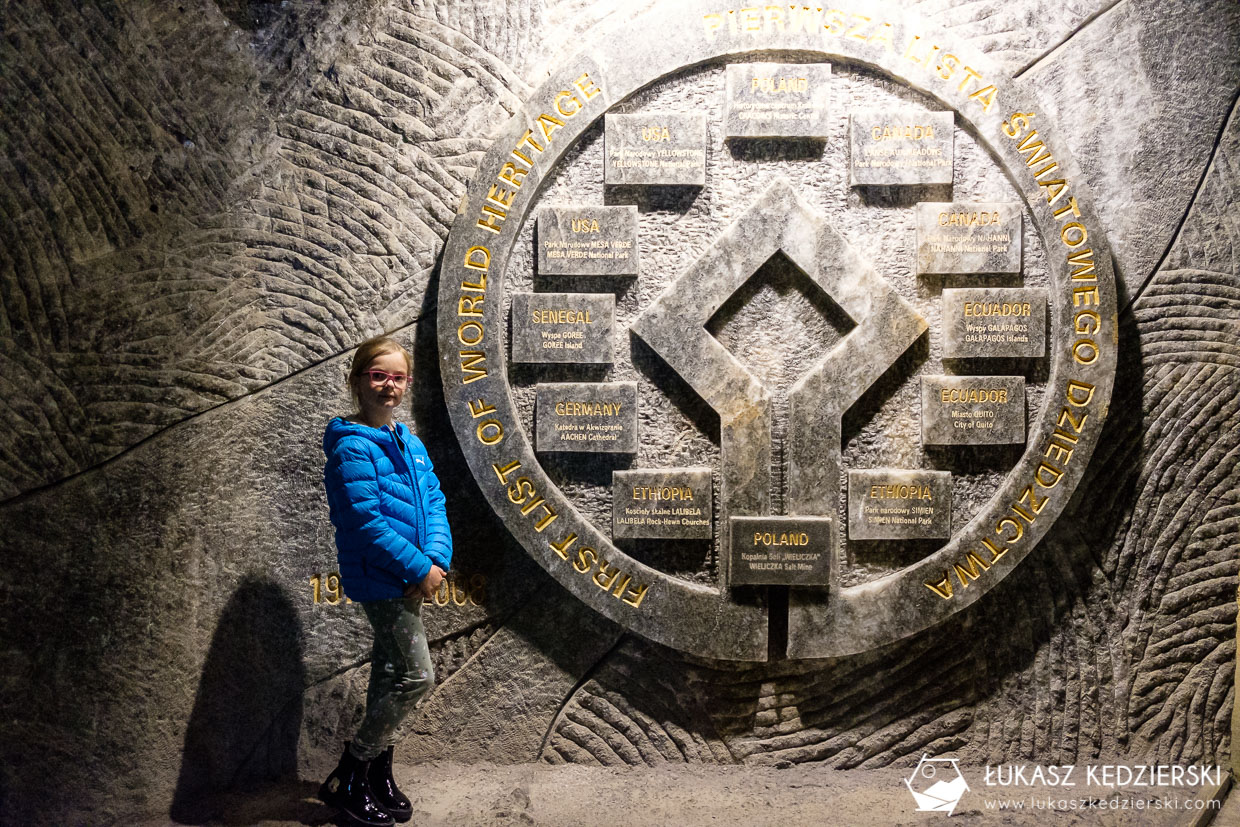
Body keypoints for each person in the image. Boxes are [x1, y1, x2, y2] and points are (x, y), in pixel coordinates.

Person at [319, 335, 452, 827]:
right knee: (417, 677)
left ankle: (377, 775)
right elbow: (365, 522)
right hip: (382, 579)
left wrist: (435, 558)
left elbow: (435, 502)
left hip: (413, 576)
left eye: (397, 377)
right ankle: (351, 771)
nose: (388, 385)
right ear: (357, 381)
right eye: (378, 375)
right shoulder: (352, 447)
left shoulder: (409, 442)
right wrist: (418, 569)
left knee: (389, 676)